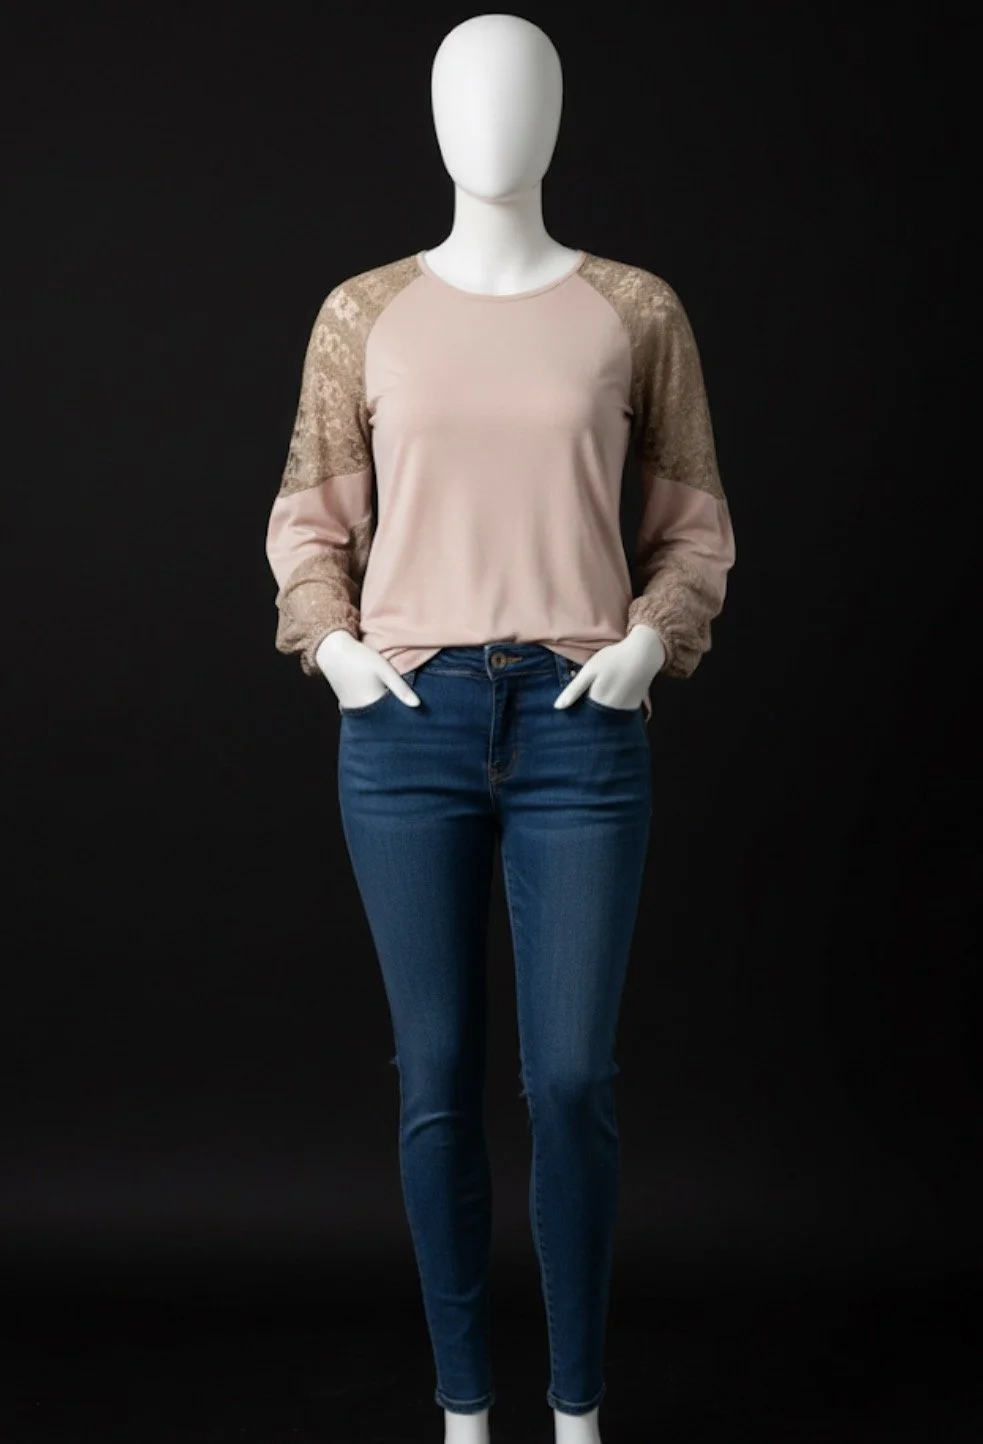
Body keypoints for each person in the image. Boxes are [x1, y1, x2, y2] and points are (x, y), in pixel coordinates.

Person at [265, 14, 736, 1444]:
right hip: (406, 726)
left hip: (578, 723)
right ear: (429, 118)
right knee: (434, 1083)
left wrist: (651, 641)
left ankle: (575, 1408)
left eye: (521, 92)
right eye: (465, 94)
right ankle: (465, 1409)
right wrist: (334, 647)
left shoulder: (633, 310)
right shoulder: (364, 314)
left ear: (559, 116)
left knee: (572, 1081)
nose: (493, 118)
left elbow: (692, 523)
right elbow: (309, 518)